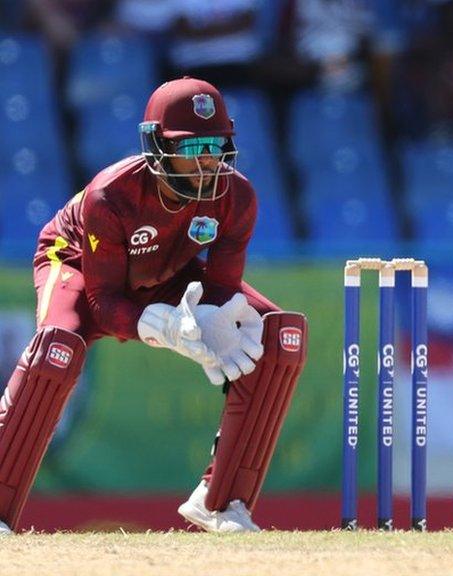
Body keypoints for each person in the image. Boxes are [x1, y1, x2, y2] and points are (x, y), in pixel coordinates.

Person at [0, 77, 308, 535]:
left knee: (279, 335)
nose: (208, 161)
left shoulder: (236, 195)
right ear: (158, 147)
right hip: (79, 264)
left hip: (167, 272)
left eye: (217, 144)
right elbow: (103, 302)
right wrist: (158, 327)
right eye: (194, 147)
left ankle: (221, 502)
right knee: (57, 349)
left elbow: (223, 290)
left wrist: (213, 320)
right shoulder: (111, 194)